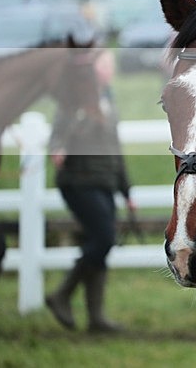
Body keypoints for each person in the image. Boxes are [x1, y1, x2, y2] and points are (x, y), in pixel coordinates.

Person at [45, 49, 132, 333]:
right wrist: (57, 147)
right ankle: (62, 295)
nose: (108, 70)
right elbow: (58, 135)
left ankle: (96, 318)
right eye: (103, 65)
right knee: (104, 238)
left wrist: (126, 191)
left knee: (98, 241)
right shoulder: (76, 96)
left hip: (104, 182)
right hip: (79, 181)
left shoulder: (109, 98)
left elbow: (115, 149)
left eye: (110, 65)